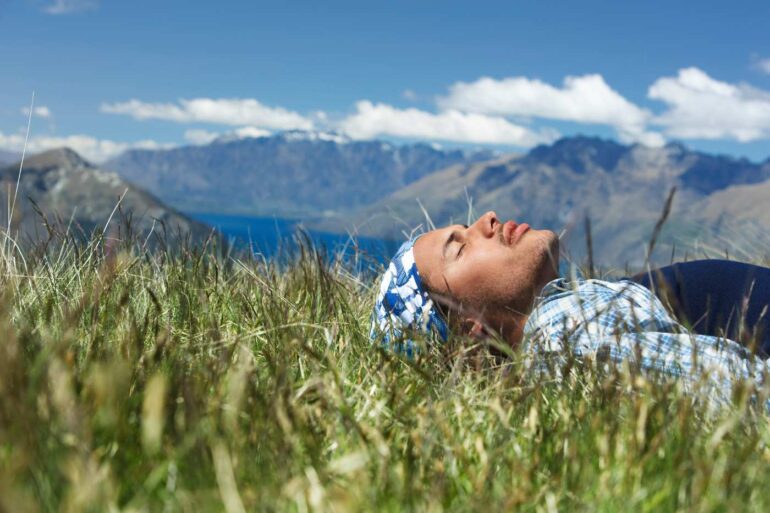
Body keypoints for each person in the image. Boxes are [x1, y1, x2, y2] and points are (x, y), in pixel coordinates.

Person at [371, 211, 770, 408]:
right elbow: (747, 392)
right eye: (459, 248)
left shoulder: (564, 317)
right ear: (467, 329)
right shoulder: (567, 344)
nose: (486, 219)